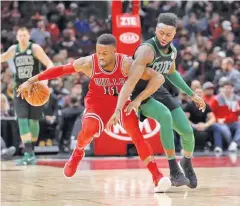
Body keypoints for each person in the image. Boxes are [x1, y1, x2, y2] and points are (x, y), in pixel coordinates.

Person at [17, 34, 171, 192]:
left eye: (105, 53)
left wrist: (138, 100)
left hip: (121, 102)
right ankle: (78, 152)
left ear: (115, 51)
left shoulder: (126, 64)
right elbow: (61, 70)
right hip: (97, 103)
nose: (101, 56)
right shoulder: (88, 63)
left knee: (136, 135)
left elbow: (158, 78)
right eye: (98, 52)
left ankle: (157, 176)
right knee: (89, 130)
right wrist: (32, 80)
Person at [107, 13, 206, 189]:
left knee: (187, 131)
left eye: (168, 35)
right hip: (139, 94)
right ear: (156, 30)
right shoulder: (146, 51)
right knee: (165, 115)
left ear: (174, 34)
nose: (164, 37)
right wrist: (119, 108)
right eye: (161, 33)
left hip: (158, 90)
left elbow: (172, 73)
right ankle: (173, 168)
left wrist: (192, 94)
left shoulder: (172, 51)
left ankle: (187, 163)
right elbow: (130, 82)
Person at [1, 27, 54, 165]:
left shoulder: (35, 48)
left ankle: (31, 152)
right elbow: (2, 58)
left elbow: (50, 64)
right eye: (20, 35)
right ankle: (28, 153)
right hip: (20, 89)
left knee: (33, 121)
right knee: (22, 120)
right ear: (17, 37)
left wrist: (45, 79)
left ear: (29, 36)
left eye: (25, 35)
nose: (22, 37)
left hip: (35, 89)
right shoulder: (14, 50)